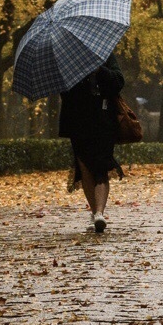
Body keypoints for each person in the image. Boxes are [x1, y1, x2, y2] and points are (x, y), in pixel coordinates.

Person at [59, 54, 125, 233]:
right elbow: (63, 90)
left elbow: (118, 82)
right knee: (84, 167)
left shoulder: (105, 55)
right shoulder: (68, 60)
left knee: (101, 166)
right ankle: (95, 211)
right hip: (78, 122)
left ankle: (99, 213)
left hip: (103, 120)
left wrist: (99, 70)